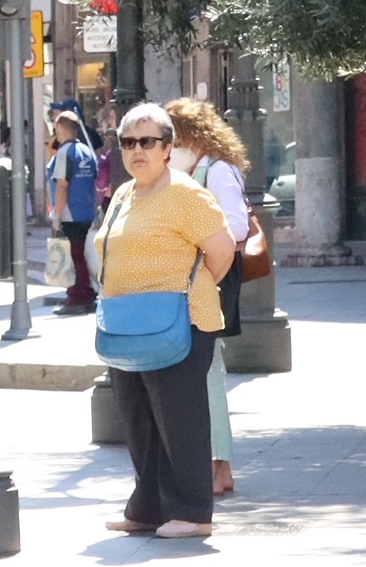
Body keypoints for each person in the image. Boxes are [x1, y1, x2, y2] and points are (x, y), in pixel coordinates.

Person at [92, 103, 236, 539]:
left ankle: (193, 512)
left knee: (179, 417)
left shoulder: (186, 194)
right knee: (138, 419)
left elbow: (222, 252)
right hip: (126, 324)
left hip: (181, 322)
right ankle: (148, 508)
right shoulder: (123, 194)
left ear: (168, 147)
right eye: (128, 142)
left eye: (147, 141)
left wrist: (188, 291)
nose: (137, 150)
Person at [169, 98, 256, 499]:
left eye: (174, 139)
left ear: (192, 136)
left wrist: (196, 242)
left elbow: (236, 227)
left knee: (208, 373)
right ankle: (216, 464)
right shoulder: (194, 170)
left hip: (212, 278)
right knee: (205, 372)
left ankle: (218, 466)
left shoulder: (218, 170)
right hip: (198, 278)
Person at [46, 112, 100, 313]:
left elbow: (62, 186)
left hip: (70, 212)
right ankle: (87, 294)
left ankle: (78, 297)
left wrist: (57, 214)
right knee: (82, 255)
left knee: (73, 257)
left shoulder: (64, 153)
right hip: (86, 210)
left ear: (60, 127)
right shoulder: (87, 151)